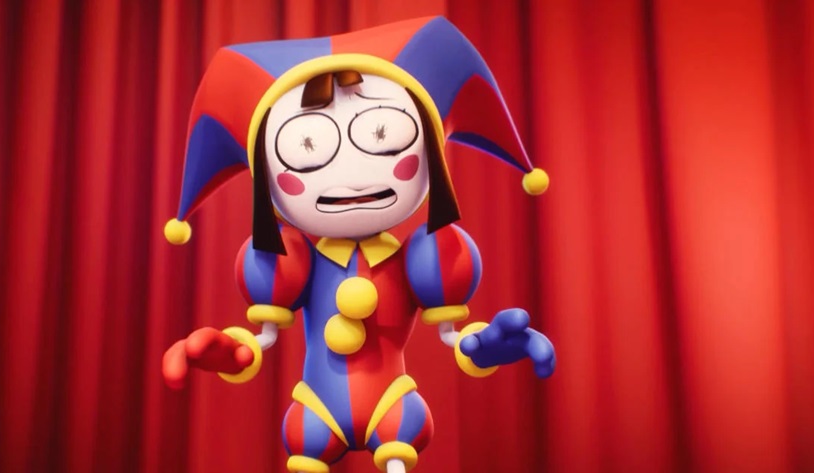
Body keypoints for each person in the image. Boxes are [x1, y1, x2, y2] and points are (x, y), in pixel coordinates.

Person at [161, 17, 555, 473]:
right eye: (307, 147)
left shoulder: (427, 256)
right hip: (313, 412)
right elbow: (262, 337)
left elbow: (453, 335)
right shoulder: (288, 258)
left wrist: (483, 346)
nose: (352, 174)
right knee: (307, 442)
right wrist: (232, 352)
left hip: (394, 407)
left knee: (400, 439)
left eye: (383, 134)